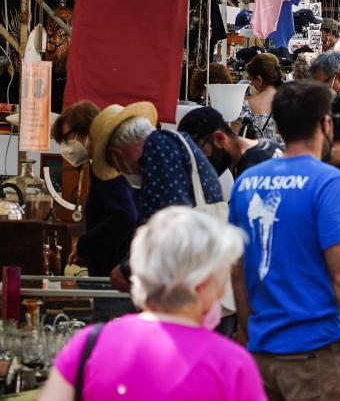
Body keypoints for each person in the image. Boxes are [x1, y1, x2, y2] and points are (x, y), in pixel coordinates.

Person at [229, 81, 340, 400]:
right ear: (326, 124)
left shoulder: (246, 182)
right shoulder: (328, 182)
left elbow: (237, 272)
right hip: (316, 352)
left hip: (261, 352)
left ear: (278, 127)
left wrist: (251, 334)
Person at [41, 207, 265, 401]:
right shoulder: (232, 365)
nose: (223, 291)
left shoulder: (88, 346)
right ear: (202, 283)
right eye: (221, 279)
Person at [88, 101, 225, 291]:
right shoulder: (173, 143)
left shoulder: (158, 148)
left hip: (195, 281)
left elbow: (170, 220)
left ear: (116, 155)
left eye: (114, 166)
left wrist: (127, 269)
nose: (120, 172)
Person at [52, 101, 137, 277]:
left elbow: (124, 216)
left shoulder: (105, 165)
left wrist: (85, 246)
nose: (66, 146)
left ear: (87, 129)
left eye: (67, 137)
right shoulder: (107, 162)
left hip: (114, 276)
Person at [179, 107, 284, 180]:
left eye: (199, 151)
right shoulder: (270, 146)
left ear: (220, 138)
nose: (199, 159)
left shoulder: (250, 177)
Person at [239, 53, 283, 141]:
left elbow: (238, 138)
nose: (251, 84)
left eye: (251, 80)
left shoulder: (247, 106)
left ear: (259, 79)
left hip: (259, 149)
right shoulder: (292, 100)